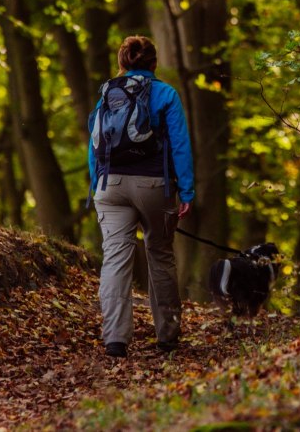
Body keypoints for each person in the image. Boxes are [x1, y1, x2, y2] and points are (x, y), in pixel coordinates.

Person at [88, 35, 194, 358]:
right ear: (153, 64)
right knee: (159, 254)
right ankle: (168, 336)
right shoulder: (166, 94)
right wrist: (186, 190)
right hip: (153, 186)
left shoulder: (108, 93)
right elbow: (179, 145)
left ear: (122, 64)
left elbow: (94, 144)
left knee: (116, 258)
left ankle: (115, 340)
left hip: (110, 186)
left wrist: (98, 186)